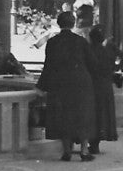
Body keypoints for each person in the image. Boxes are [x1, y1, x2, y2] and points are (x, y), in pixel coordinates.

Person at [37, 10, 97, 161]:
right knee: (82, 115)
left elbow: (48, 66)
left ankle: (67, 151)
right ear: (73, 23)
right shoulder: (81, 41)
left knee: (63, 115)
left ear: (58, 23)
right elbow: (92, 63)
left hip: (60, 83)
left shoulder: (52, 42)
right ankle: (84, 151)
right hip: (80, 82)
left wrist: (41, 86)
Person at [84, 17, 118, 156]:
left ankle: (91, 142)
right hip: (105, 86)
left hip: (91, 86)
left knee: (92, 114)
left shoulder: (88, 51)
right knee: (103, 114)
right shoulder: (107, 52)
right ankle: (96, 143)